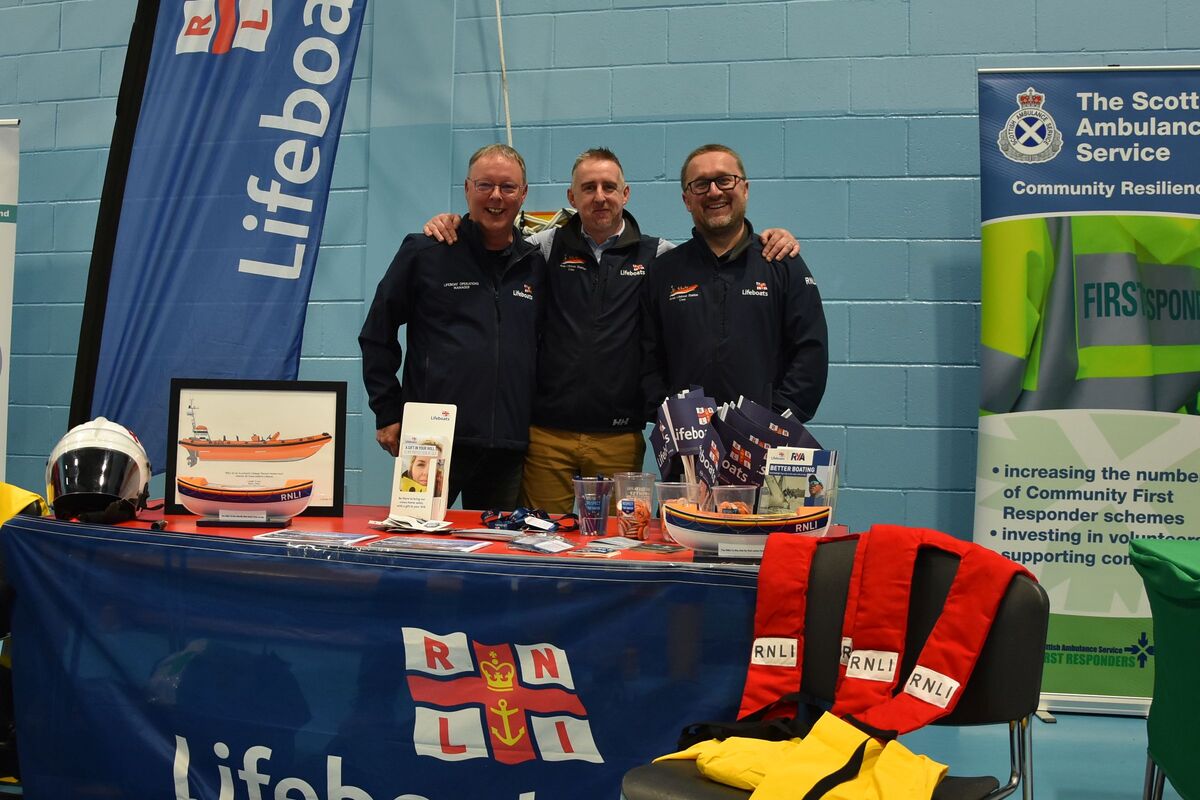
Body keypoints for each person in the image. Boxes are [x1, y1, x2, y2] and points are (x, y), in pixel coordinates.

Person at [423, 148, 800, 513]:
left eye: (608, 186)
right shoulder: (541, 249)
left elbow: (712, 257)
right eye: (588, 188)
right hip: (546, 436)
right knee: (536, 543)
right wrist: (454, 222)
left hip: (619, 437)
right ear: (572, 196)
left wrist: (766, 240)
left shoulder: (660, 257)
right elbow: (493, 237)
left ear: (626, 193)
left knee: (617, 545)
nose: (599, 197)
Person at [359, 144, 544, 510]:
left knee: (495, 558)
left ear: (523, 195)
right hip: (431, 441)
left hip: (506, 447)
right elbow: (376, 334)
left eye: (508, 187)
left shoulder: (535, 265)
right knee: (417, 545)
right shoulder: (426, 252)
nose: (496, 196)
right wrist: (388, 411)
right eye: (484, 185)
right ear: (466, 188)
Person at [642, 144, 829, 422]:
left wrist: (775, 420)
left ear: (745, 188)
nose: (714, 191)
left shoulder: (782, 263)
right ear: (687, 200)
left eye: (724, 180)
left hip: (766, 442)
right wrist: (669, 416)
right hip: (687, 443)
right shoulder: (663, 271)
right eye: (701, 184)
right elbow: (645, 357)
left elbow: (810, 353)